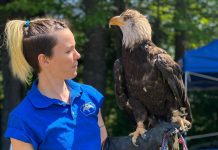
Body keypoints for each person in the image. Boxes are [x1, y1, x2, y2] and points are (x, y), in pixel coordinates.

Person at [4, 18, 107, 150]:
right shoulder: (23, 118)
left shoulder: (90, 95)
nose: (78, 55)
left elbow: (103, 143)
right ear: (45, 60)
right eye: (69, 51)